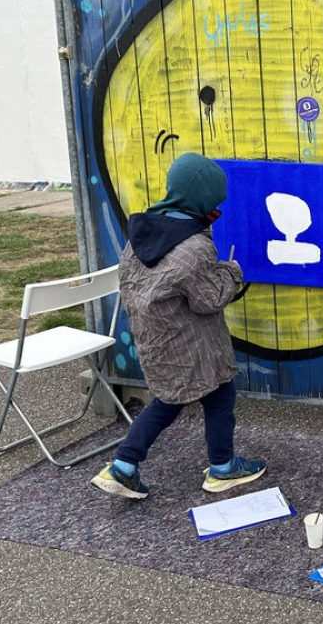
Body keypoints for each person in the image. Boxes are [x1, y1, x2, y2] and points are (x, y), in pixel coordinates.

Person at [91, 153, 265, 500]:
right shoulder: (195, 246)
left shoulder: (142, 231)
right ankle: (221, 469)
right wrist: (230, 271)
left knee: (168, 401)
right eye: (213, 206)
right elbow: (208, 299)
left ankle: (124, 466)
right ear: (199, 202)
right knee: (218, 396)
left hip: (156, 341)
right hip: (193, 344)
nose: (215, 212)